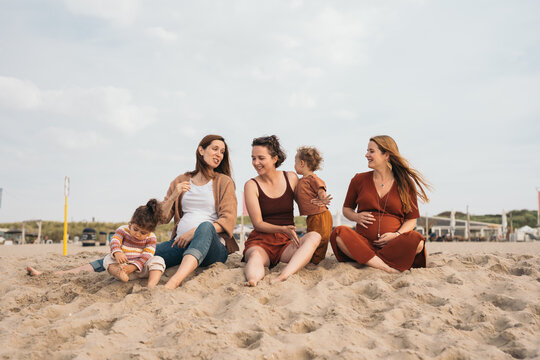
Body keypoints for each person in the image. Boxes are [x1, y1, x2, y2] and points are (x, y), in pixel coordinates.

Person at [27, 135, 238, 289]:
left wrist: (193, 232)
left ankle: (173, 282)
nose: (219, 154)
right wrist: (174, 195)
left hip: (213, 248)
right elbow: (162, 218)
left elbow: (228, 220)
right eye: (215, 149)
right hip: (181, 244)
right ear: (201, 150)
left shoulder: (224, 182)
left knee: (204, 227)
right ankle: (61, 273)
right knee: (130, 253)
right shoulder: (182, 180)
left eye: (222, 152)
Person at [330, 135, 430, 273]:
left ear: (386, 155)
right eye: (367, 151)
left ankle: (370, 260)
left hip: (392, 245)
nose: (366, 155)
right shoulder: (359, 179)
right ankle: (385, 267)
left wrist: (396, 235)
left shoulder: (405, 183)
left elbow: (411, 219)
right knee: (338, 233)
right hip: (363, 243)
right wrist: (356, 217)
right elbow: (347, 209)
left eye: (371, 151)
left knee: (417, 240)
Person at [243, 135, 321, 286]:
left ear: (274, 158)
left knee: (314, 237)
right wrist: (283, 229)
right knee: (255, 257)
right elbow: (257, 223)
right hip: (261, 242)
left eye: (261, 158)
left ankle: (284, 275)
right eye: (253, 158)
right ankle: (253, 280)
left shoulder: (290, 178)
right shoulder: (251, 185)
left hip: (286, 243)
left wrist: (319, 199)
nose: (256, 163)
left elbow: (305, 204)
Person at [104, 199, 165, 287]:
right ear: (132, 221)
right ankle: (118, 273)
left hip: (141, 269)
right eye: (135, 229)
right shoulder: (123, 230)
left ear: (150, 231)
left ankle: (151, 284)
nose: (138, 234)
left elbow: (147, 255)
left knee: (158, 260)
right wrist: (117, 252)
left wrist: (133, 267)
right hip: (123, 267)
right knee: (107, 259)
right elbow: (115, 240)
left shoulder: (151, 237)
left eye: (143, 233)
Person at [293, 146, 333, 264]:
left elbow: (320, 189)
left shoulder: (312, 178)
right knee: (312, 236)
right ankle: (312, 258)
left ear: (302, 163)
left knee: (321, 239)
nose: (294, 165)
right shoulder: (301, 181)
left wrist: (323, 198)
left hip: (320, 214)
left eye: (295, 162)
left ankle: (316, 261)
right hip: (312, 216)